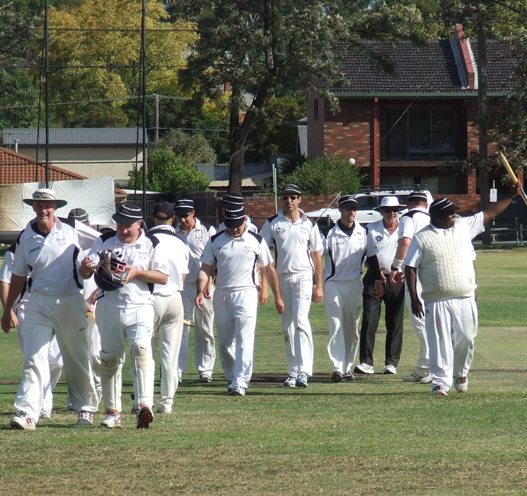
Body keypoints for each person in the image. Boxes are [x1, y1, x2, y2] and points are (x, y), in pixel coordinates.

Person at [1, 188, 100, 430]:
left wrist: (90, 266)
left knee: (76, 357)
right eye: (39, 205)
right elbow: (19, 276)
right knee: (33, 358)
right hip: (38, 303)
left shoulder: (72, 229)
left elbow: (98, 243)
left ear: (55, 207)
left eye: (48, 205)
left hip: (70, 300)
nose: (43, 209)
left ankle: (85, 408)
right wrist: (8, 310)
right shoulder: (26, 236)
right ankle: (27, 413)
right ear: (33, 207)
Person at [405, 188, 519, 396]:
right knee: (439, 341)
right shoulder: (422, 238)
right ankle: (440, 382)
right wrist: (414, 298)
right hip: (436, 299)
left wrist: (511, 196)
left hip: (465, 295)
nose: (454, 216)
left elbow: (489, 213)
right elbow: (410, 267)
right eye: (450, 213)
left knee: (466, 338)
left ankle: (461, 373)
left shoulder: (462, 225)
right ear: (437, 216)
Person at [79, 202, 169, 429]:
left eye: (128, 225)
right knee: (109, 358)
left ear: (139, 224)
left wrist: (138, 272)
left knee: (141, 350)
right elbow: (85, 270)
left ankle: (144, 406)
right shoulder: (105, 240)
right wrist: (87, 267)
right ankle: (112, 412)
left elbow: (163, 277)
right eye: (119, 224)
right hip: (109, 306)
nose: (123, 230)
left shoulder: (152, 243)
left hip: (141, 305)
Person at [196, 206, 284, 396]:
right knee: (225, 341)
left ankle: (241, 381)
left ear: (244, 220)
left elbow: (268, 268)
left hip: (247, 292)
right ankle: (232, 376)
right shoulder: (215, 241)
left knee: (244, 338)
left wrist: (277, 296)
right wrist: (201, 289)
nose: (234, 229)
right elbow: (206, 268)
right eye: (230, 225)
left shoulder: (256, 240)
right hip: (222, 293)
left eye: (237, 225)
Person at [260, 184, 323, 388]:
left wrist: (318, 284)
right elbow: (262, 254)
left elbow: (316, 254)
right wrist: (264, 286)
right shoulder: (272, 223)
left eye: (293, 197)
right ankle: (292, 372)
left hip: (304, 276)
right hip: (281, 277)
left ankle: (304, 371)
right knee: (287, 326)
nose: (289, 201)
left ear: (299, 199)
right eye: (286, 197)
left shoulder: (309, 224)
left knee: (301, 320)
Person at [0, 242, 63, 420]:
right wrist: (8, 311)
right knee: (36, 357)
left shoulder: (57, 246)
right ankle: (39, 405)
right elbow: (4, 281)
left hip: (55, 306)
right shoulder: (16, 250)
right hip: (26, 310)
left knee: (57, 362)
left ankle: (42, 396)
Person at [355, 196, 405, 376]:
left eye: (394, 210)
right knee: (369, 320)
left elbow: (410, 251)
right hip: (374, 278)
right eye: (387, 210)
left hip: (397, 279)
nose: (391, 213)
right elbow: (369, 255)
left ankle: (391, 363)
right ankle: (366, 362)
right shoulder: (371, 228)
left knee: (395, 322)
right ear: (381, 212)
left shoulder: (405, 229)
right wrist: (377, 277)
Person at [149, 201, 189, 414]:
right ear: (173, 218)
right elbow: (182, 277)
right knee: (170, 355)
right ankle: (167, 402)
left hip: (151, 297)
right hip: (174, 297)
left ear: (154, 217)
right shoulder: (181, 242)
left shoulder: (146, 239)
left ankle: (143, 399)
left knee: (145, 351)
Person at [322, 195, 367, 382]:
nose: (351, 213)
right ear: (340, 210)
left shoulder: (363, 232)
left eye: (354, 209)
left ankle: (347, 367)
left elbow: (369, 258)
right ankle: (337, 367)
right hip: (333, 284)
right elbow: (316, 258)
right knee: (336, 325)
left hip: (355, 284)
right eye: (347, 209)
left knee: (352, 327)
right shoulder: (328, 233)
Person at [389, 190, 432, 384]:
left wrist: (396, 266)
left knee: (421, 322)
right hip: (432, 273)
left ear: (409, 203)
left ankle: (433, 368)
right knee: (427, 322)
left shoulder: (409, 217)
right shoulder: (433, 217)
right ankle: (424, 368)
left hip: (416, 274)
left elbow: (405, 241)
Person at [174, 198, 217, 383]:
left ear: (193, 213)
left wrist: (209, 284)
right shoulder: (174, 233)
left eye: (185, 215)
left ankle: (205, 370)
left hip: (205, 285)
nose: (182, 220)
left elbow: (214, 260)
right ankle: (177, 369)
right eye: (179, 216)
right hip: (182, 286)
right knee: (180, 329)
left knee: (205, 329)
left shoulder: (208, 230)